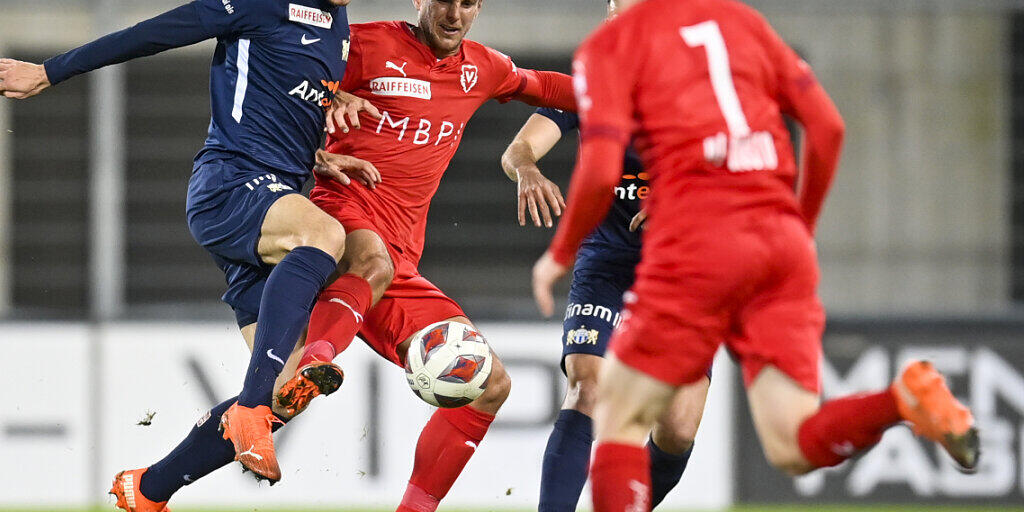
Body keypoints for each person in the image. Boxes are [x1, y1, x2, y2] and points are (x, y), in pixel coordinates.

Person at [530, 0, 980, 510]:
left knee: (619, 414)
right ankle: (901, 399)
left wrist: (560, 252)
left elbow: (600, 170)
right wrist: (800, 228)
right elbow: (828, 129)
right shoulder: (741, 22)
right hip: (780, 244)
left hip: (696, 246)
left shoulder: (611, 48)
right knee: (793, 442)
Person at [0, 0, 383, 508]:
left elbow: (273, 96)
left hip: (272, 196)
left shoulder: (337, 24)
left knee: (287, 390)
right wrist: (49, 71)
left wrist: (315, 152)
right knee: (327, 236)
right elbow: (159, 31)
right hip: (231, 183)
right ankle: (248, 407)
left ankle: (149, 489)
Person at [269, 0, 575, 510]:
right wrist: (324, 114)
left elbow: (544, 87)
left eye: (469, 3)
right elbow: (279, 82)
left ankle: (153, 483)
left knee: (491, 384)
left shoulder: (482, 68)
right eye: (445, 0)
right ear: (419, 0)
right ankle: (318, 360)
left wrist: (627, 91)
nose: (455, 14)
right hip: (338, 218)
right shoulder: (364, 45)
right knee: (372, 266)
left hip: (400, 262)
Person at [502, 26, 708, 506]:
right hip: (607, 262)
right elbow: (518, 149)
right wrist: (528, 170)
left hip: (683, 268)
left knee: (676, 430)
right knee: (587, 390)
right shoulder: (591, 84)